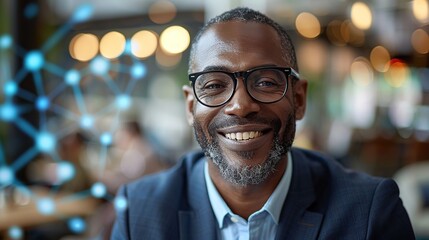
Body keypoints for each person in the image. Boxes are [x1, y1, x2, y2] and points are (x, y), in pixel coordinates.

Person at [111, 7, 415, 239]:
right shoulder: (139, 212)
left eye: (266, 82)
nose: (241, 106)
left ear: (298, 99)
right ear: (191, 106)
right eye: (215, 85)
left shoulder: (368, 213)